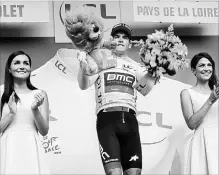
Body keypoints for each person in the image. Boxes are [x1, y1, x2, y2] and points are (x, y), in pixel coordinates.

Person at [77, 23, 157, 175]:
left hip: (130, 119)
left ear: (129, 43)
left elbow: (144, 89)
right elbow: (83, 84)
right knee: (114, 173)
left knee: (134, 173)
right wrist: (82, 64)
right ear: (111, 40)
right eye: (117, 37)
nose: (121, 40)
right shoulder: (100, 61)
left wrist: (155, 71)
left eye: (125, 37)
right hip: (107, 119)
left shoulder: (136, 67)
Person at [0, 51, 50, 174]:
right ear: (10, 69)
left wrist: (34, 109)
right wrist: (11, 114)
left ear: (30, 69)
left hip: (31, 145)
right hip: (8, 146)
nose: (22, 66)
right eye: (17, 63)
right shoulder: (1, 92)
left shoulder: (40, 94)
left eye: (26, 63)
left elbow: (44, 131)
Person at [180, 52, 219, 174]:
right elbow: (191, 124)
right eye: (202, 65)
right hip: (201, 143)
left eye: (209, 65)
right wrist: (210, 100)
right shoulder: (187, 93)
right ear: (193, 70)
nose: (206, 68)